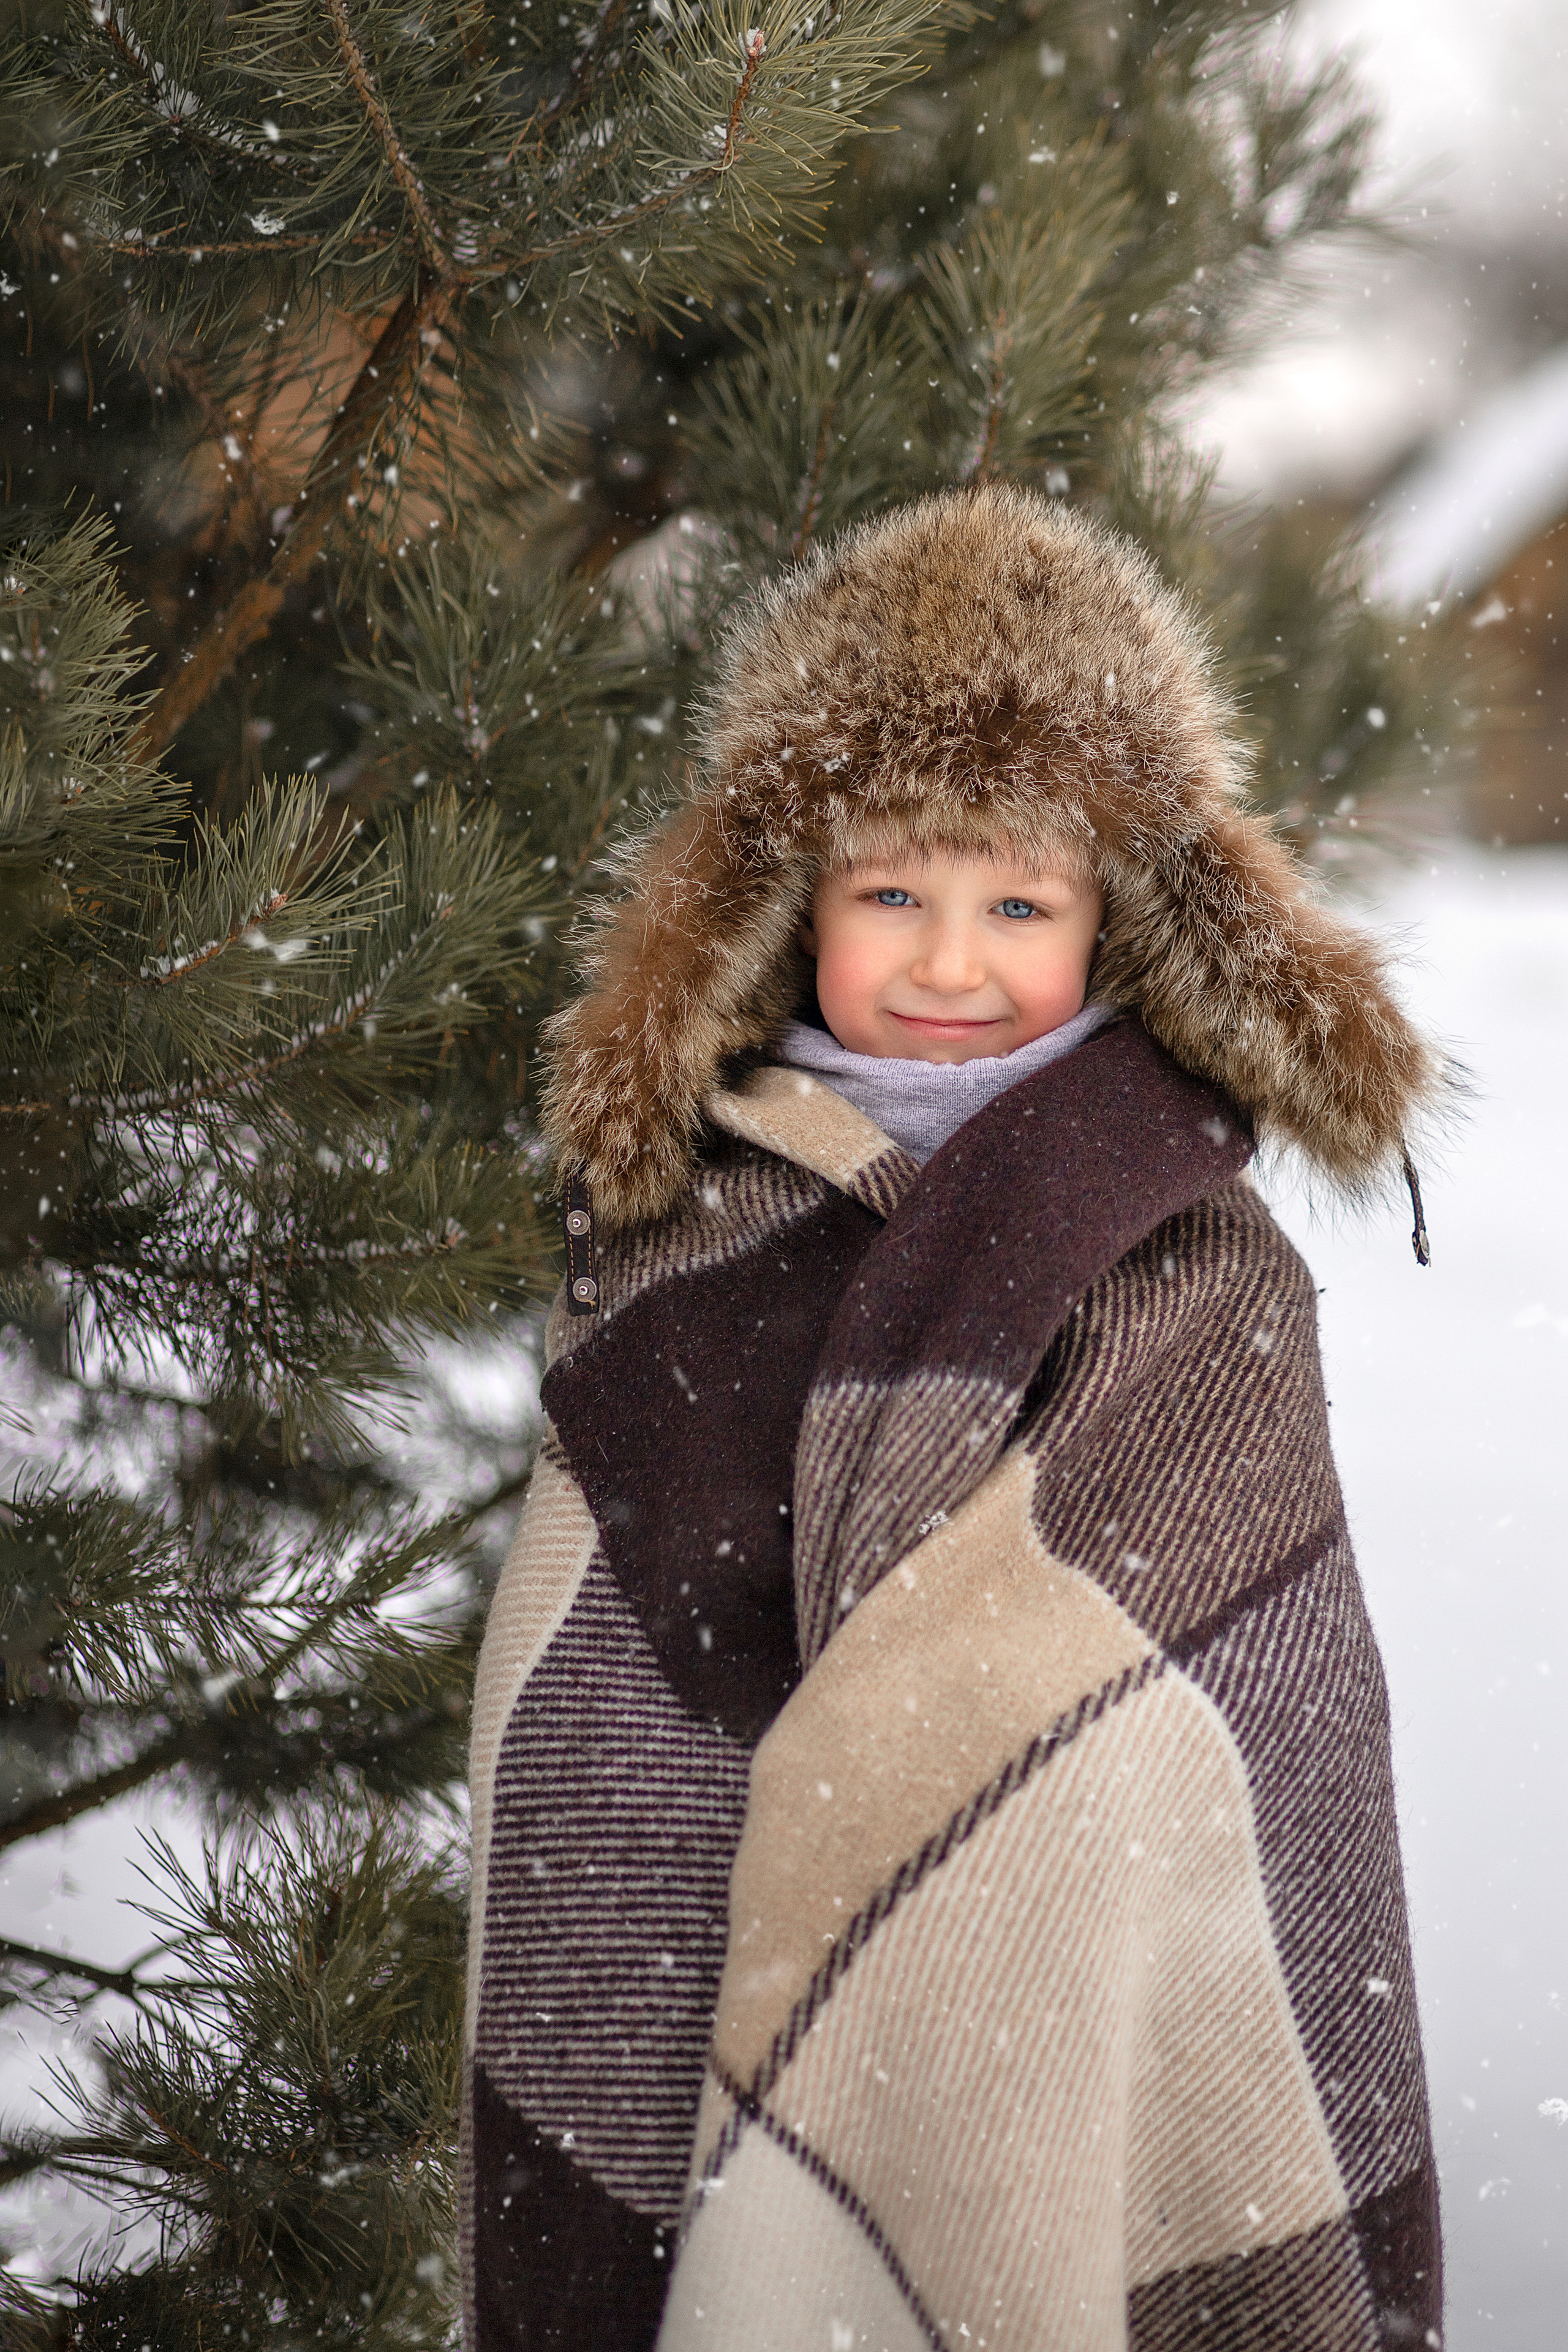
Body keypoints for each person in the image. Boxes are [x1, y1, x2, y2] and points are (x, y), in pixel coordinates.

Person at [462, 484, 1446, 2352]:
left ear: (1124, 917)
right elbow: (589, 1718)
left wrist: (968, 1775)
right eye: (892, 893)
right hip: (714, 1943)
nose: (949, 962)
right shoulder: (682, 1233)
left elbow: (1238, 1709)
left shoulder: (1192, 1248)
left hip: (1058, 1992)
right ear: (783, 904)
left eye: (1020, 904)